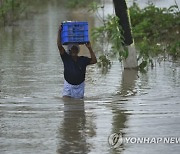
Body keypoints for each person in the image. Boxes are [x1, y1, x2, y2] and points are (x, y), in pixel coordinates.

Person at [57, 26, 97, 99]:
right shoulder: (66, 58)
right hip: (68, 86)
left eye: (75, 49)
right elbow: (59, 46)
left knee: (79, 107)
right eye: (72, 49)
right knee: (66, 102)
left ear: (78, 50)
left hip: (80, 87)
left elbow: (94, 61)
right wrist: (59, 32)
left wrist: (89, 48)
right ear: (69, 50)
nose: (74, 51)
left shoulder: (83, 59)